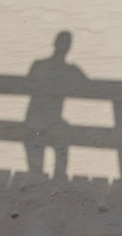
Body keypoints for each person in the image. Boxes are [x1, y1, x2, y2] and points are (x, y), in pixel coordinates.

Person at [23, 32, 86, 181]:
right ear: (69, 47)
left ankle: (37, 173)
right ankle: (59, 176)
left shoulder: (39, 65)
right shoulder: (69, 70)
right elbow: (90, 86)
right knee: (61, 134)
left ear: (54, 43)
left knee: (47, 134)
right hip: (50, 121)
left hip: (33, 119)